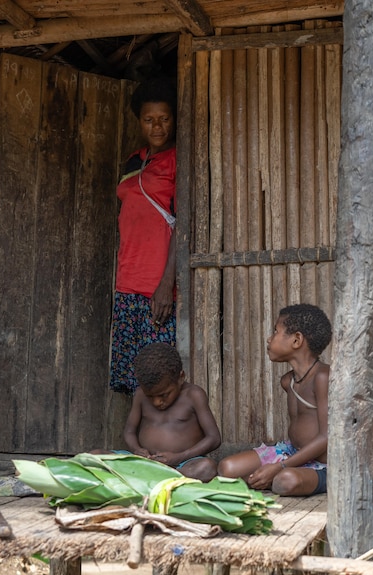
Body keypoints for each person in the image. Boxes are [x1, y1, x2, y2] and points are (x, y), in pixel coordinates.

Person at [218, 304, 332, 496]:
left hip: (323, 463)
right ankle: (268, 478)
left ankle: (272, 478)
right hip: (291, 452)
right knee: (226, 468)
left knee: (285, 481)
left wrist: (280, 467)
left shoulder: (323, 378)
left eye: (275, 331)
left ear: (296, 340)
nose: (269, 339)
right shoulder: (288, 381)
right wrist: (282, 463)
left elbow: (327, 437)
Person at [109, 77, 178, 394]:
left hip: (157, 285)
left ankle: (159, 441)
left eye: (164, 119)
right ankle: (137, 443)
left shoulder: (178, 160)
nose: (158, 127)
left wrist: (166, 284)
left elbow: (184, 223)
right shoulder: (133, 161)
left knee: (157, 375)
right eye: (149, 120)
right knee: (131, 376)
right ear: (139, 121)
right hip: (127, 281)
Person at [122, 342, 220, 482]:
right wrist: (136, 449)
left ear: (181, 377)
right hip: (144, 462)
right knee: (95, 455)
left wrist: (179, 457)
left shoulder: (193, 395)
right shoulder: (139, 395)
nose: (157, 402)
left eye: (164, 395)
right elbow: (129, 431)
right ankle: (160, 477)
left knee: (206, 467)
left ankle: (153, 477)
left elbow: (214, 438)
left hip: (182, 463)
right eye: (150, 396)